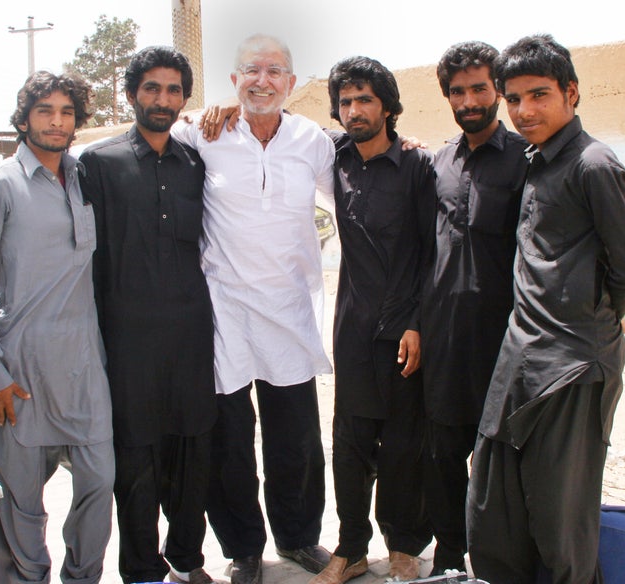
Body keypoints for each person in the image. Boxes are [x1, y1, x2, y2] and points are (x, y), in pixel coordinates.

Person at [466, 34, 625, 584]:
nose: (525, 111)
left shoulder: (594, 164)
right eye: (514, 99)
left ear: (572, 92)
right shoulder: (538, 161)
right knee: (493, 507)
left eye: (540, 95)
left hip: (571, 368)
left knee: (560, 521)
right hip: (521, 359)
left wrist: (595, 315)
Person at [171, 34, 334, 584]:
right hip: (224, 314)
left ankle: (298, 538)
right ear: (234, 80)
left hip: (289, 311)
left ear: (291, 83)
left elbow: (355, 187)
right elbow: (152, 140)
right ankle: (243, 549)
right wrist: (199, 111)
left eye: (274, 71)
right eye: (250, 71)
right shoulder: (200, 132)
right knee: (229, 444)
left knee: (298, 441)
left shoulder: (313, 140)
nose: (262, 80)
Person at [0, 71, 114, 583]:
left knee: (99, 482)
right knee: (21, 504)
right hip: (20, 373)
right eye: (45, 111)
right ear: (24, 118)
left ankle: (82, 577)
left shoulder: (85, 176)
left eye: (67, 112)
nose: (57, 121)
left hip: (85, 371)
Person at [79, 47, 217, 584]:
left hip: (190, 337)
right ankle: (141, 570)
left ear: (184, 97)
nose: (163, 99)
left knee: (192, 453)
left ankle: (187, 560)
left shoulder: (196, 164)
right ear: (133, 93)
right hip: (127, 340)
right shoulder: (99, 163)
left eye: (174, 90)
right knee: (135, 461)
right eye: (152, 88)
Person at [308, 56, 437, 584]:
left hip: (405, 326)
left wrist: (420, 322)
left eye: (365, 99)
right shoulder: (334, 155)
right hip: (355, 326)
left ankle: (404, 545)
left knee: (407, 442)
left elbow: (436, 251)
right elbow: (275, 129)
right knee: (351, 442)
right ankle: (352, 548)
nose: (354, 110)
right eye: (345, 101)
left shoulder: (418, 166)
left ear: (387, 105)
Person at [419, 41, 528, 575]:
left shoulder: (525, 161)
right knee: (444, 453)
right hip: (443, 337)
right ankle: (448, 553)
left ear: (497, 91)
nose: (468, 99)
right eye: (457, 90)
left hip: (505, 340)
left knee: (501, 459)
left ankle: (498, 558)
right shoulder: (438, 162)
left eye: (479, 87)